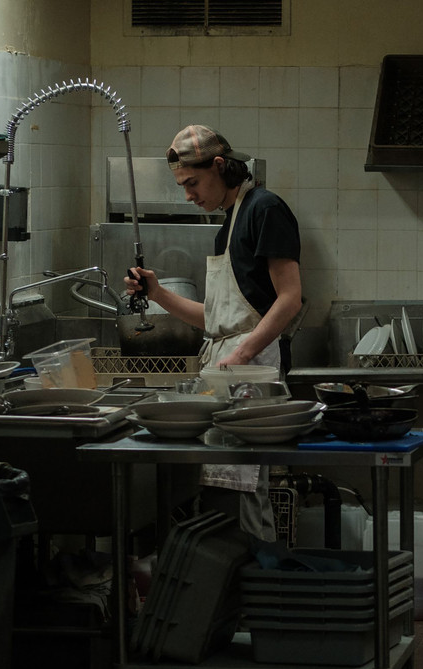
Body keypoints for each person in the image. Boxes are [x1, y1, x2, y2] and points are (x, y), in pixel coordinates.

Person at [124, 124, 303, 541]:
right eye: (183, 186)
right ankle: (233, 573)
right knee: (226, 492)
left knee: (243, 490)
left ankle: (253, 573)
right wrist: (157, 293)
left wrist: (241, 356)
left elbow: (290, 298)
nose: (188, 195)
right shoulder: (228, 226)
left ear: (219, 166)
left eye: (192, 183)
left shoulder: (264, 209)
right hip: (229, 369)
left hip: (251, 372)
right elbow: (218, 320)